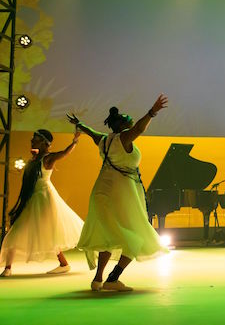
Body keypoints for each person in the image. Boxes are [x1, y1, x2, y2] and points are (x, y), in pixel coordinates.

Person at [67, 95, 168, 292]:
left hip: (101, 190)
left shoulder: (104, 139)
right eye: (127, 118)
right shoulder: (124, 137)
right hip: (121, 190)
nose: (130, 119)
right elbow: (138, 128)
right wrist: (152, 112)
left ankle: (98, 280)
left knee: (109, 235)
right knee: (137, 235)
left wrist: (80, 124)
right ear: (121, 125)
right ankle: (113, 279)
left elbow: (89, 131)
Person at [0, 129, 84, 277]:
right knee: (17, 229)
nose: (32, 141)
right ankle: (8, 267)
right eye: (33, 139)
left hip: (44, 198)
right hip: (33, 198)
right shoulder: (35, 158)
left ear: (45, 143)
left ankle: (63, 264)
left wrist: (75, 141)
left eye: (36, 139)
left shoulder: (47, 158)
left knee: (48, 231)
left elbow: (64, 153)